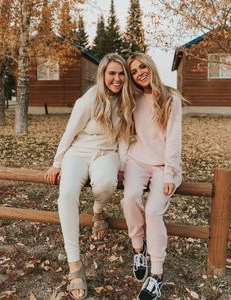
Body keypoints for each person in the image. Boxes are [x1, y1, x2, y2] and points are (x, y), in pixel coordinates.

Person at [45, 53, 135, 300]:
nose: (116, 79)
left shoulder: (128, 101)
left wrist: (124, 167)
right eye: (111, 74)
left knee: (106, 184)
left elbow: (124, 140)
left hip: (107, 153)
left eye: (120, 74)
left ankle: (97, 212)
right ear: (103, 75)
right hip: (78, 153)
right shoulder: (88, 100)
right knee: (67, 195)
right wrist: (57, 163)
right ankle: (75, 265)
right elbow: (69, 132)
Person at [122, 52, 182, 300]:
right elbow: (126, 132)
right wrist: (120, 164)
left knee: (153, 211)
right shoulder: (133, 98)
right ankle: (139, 248)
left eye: (142, 67)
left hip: (163, 166)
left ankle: (156, 275)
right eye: (134, 71)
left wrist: (169, 173)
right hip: (137, 161)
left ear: (151, 66)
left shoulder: (171, 97)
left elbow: (174, 139)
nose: (139, 73)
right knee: (129, 197)